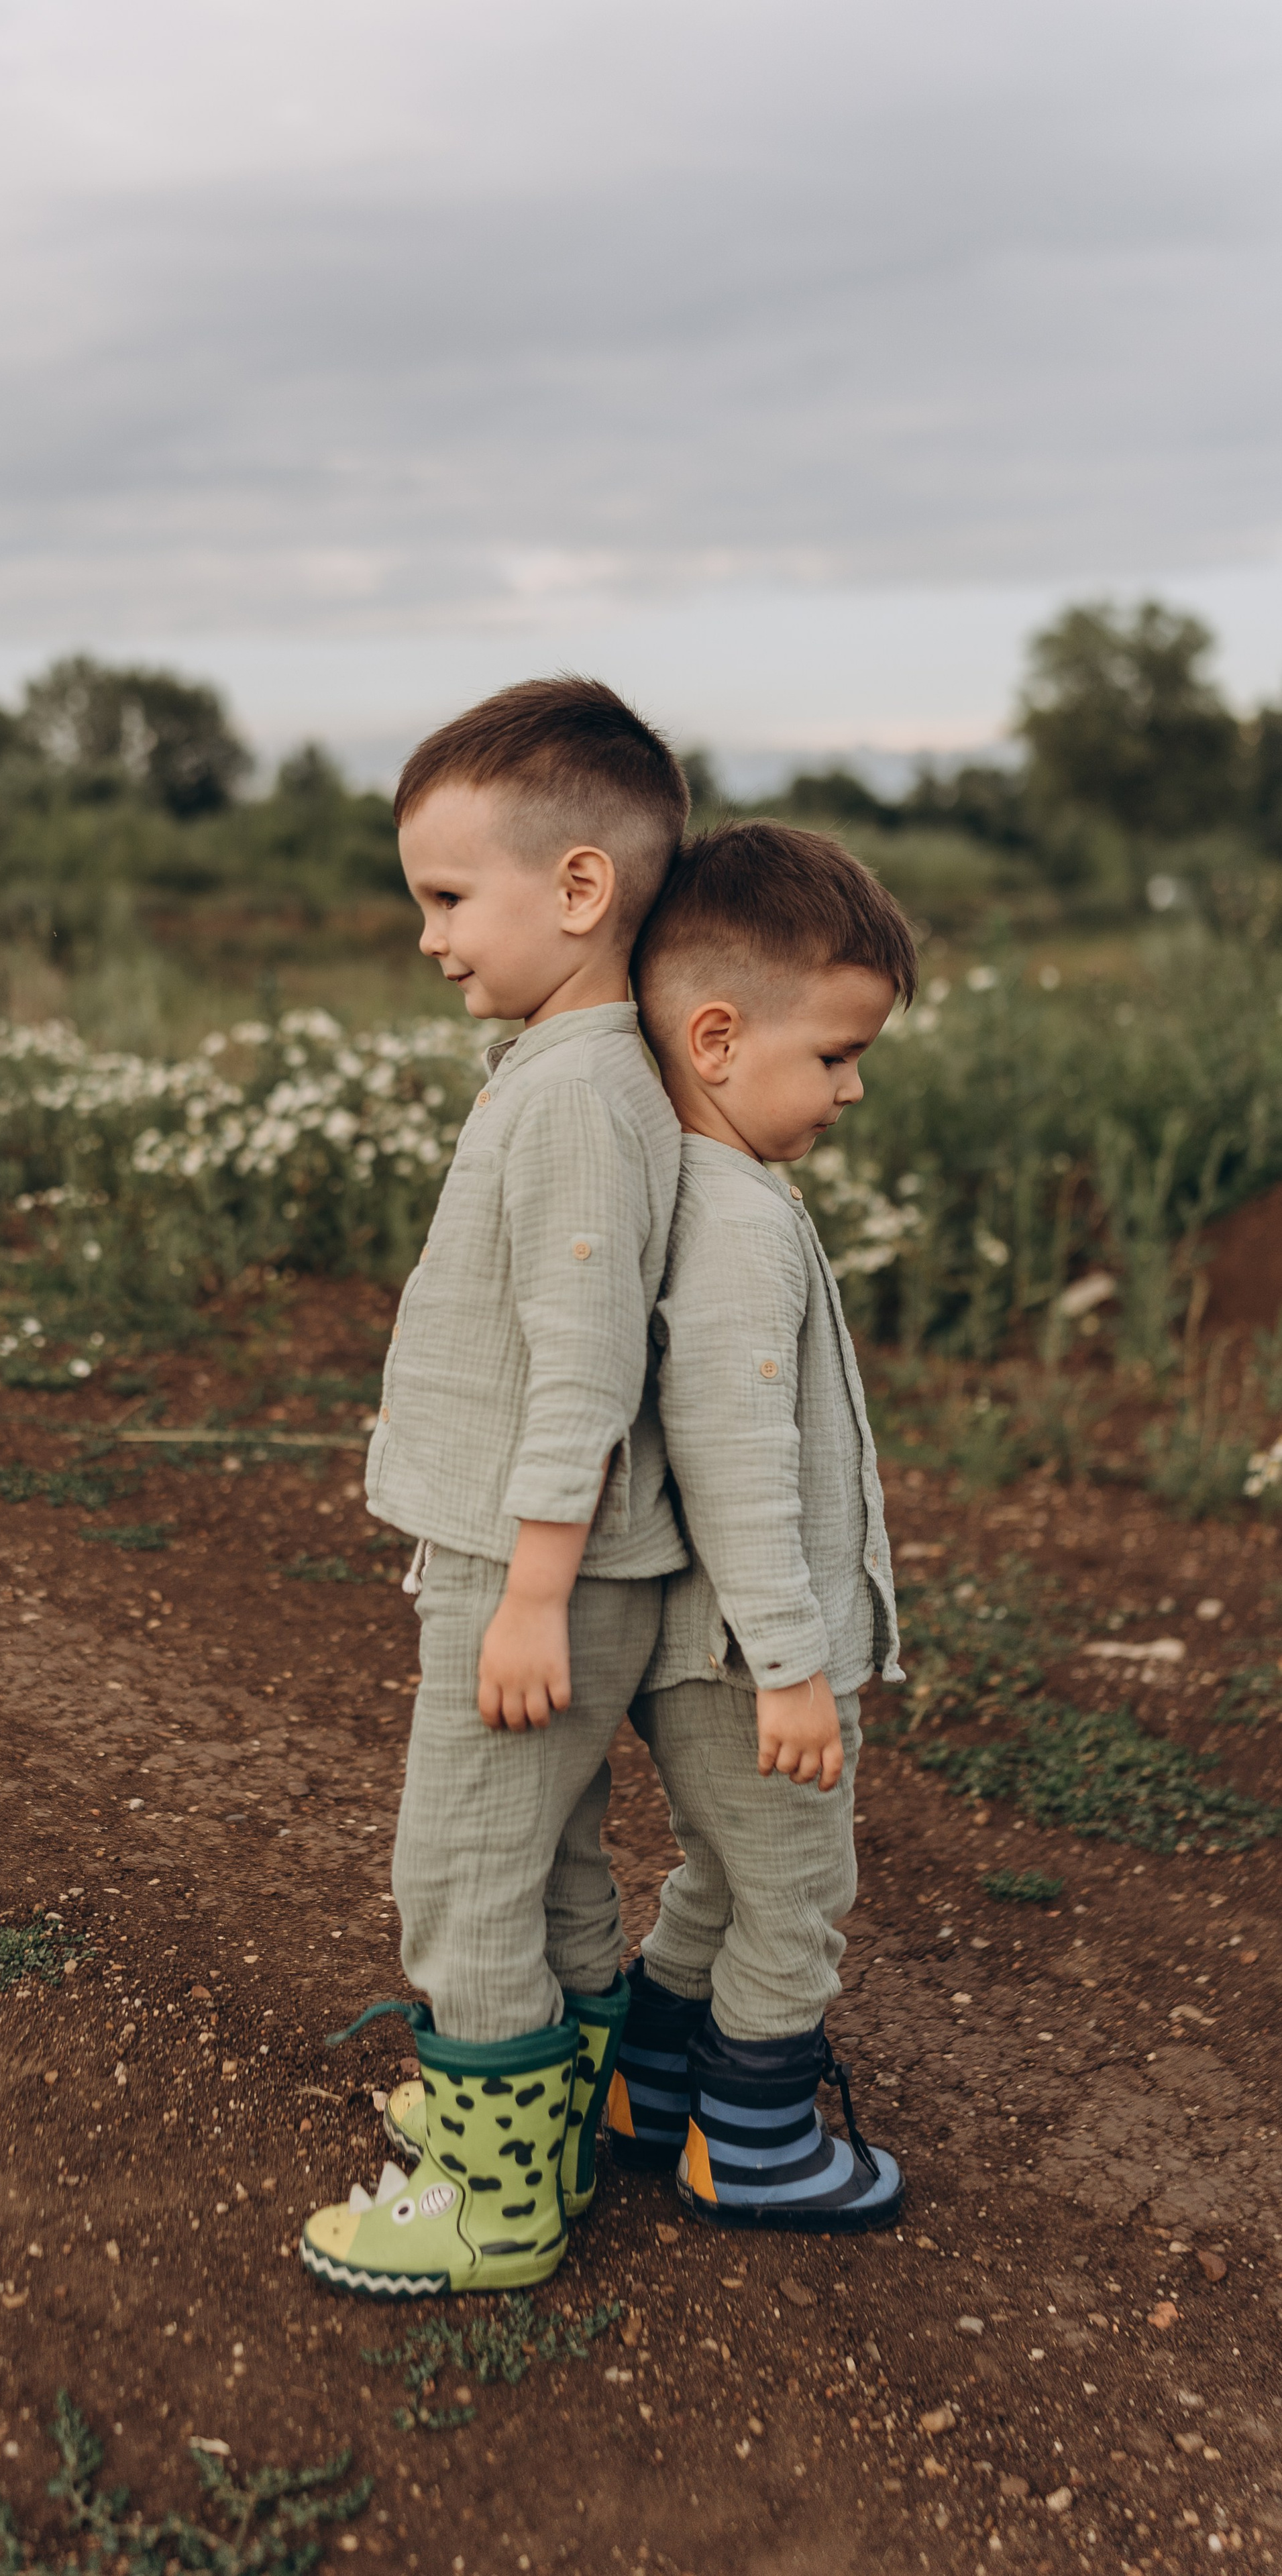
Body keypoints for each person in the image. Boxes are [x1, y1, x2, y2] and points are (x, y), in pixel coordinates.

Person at [299, 677, 691, 2298]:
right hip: (562, 1561)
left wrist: (528, 1590)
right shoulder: (579, 1066)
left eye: (450, 897)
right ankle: (556, 2113)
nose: (428, 936)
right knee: (550, 1858)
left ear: (578, 887)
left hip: (535, 1567)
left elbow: (583, 1367)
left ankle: (487, 2195)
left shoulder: (578, 1096)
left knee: (460, 1871)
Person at [604, 819, 914, 2233]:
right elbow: (734, 1458)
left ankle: (647, 2087)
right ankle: (754, 2145)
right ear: (717, 1039)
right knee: (795, 1894)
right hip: (748, 1662)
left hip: (711, 1649)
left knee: (723, 1876)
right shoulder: (733, 1221)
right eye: (836, 1055)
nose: (851, 1088)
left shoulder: (708, 1189)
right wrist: (792, 1664)